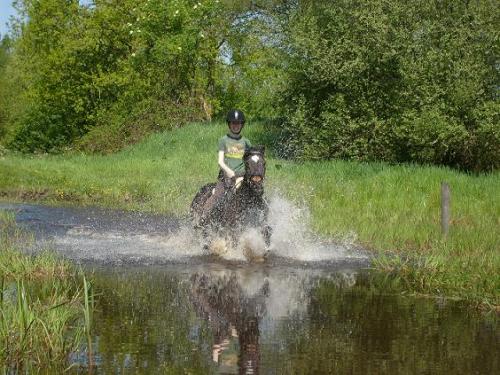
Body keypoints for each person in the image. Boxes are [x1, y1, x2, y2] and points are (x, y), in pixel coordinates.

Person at [201, 109, 252, 221]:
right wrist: (229, 171)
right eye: (233, 123)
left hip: (241, 177)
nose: (235, 126)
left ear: (241, 125)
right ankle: (203, 218)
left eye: (238, 123)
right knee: (217, 196)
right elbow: (220, 161)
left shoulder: (246, 142)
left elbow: (250, 161)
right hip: (226, 177)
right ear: (229, 124)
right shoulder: (223, 140)